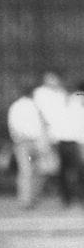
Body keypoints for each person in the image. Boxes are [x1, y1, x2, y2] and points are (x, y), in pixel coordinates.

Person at [33, 71, 82, 207]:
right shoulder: (41, 94)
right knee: (60, 171)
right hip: (57, 139)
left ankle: (77, 197)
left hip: (73, 138)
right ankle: (65, 199)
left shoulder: (67, 96)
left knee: (77, 170)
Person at [7, 84, 50, 210]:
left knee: (27, 171)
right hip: (32, 142)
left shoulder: (16, 106)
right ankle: (30, 199)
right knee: (33, 171)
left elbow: (12, 126)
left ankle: (27, 199)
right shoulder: (34, 106)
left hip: (23, 142)